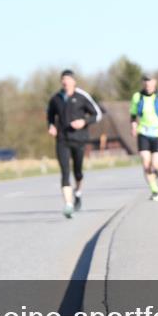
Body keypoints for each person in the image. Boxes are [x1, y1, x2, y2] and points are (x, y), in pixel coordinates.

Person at [46, 70, 102, 218]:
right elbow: (50, 116)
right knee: (65, 172)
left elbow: (97, 114)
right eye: (63, 79)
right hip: (62, 140)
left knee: (78, 172)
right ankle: (68, 205)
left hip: (79, 139)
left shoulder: (82, 96)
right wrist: (51, 126)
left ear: (73, 81)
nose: (65, 82)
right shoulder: (56, 99)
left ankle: (78, 192)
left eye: (68, 79)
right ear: (61, 82)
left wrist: (84, 121)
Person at [130, 75, 158, 202]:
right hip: (143, 132)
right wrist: (133, 126)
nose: (148, 86)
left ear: (155, 83)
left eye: (150, 83)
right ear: (143, 83)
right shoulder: (137, 97)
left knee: (155, 164)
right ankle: (155, 190)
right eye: (146, 83)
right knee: (145, 163)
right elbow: (133, 115)